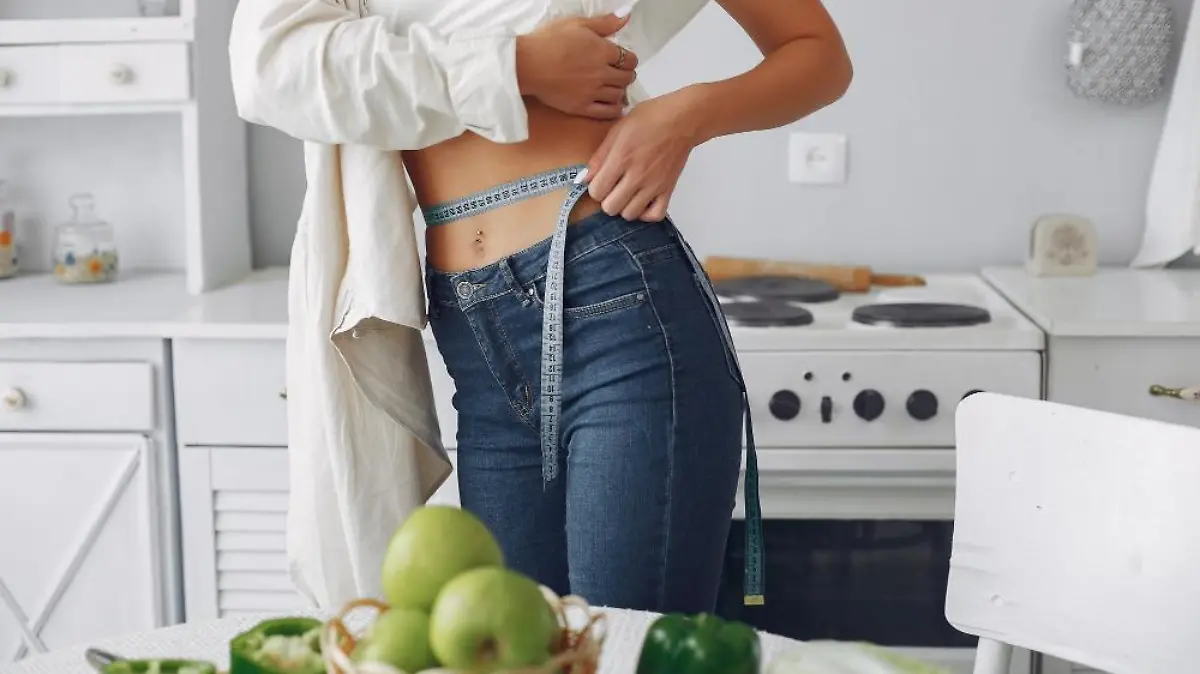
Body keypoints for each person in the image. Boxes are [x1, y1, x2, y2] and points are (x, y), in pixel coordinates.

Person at [229, 0, 851, 614]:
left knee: (622, 652)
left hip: (612, 302)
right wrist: (517, 64)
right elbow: (269, 66)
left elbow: (817, 52)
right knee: (519, 653)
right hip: (471, 333)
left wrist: (682, 118)